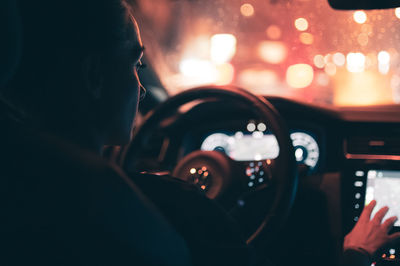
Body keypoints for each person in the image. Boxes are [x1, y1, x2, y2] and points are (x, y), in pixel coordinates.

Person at [1, 0, 399, 265]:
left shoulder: (19, 180)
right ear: (93, 76)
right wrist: (357, 252)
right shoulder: (156, 203)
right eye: (136, 66)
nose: (141, 88)